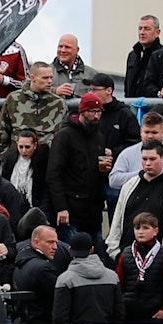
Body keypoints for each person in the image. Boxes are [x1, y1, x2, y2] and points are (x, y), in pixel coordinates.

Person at [106, 141, 163, 258]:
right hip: (128, 256)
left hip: (162, 258)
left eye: (152, 159)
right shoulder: (129, 186)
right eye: (144, 159)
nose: (148, 163)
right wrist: (115, 252)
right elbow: (117, 220)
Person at [48, 93, 109, 253]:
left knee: (97, 256)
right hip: (71, 209)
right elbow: (54, 173)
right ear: (82, 112)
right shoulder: (65, 136)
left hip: (94, 210)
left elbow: (99, 174)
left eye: (99, 111)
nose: (96, 116)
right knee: (73, 255)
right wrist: (61, 207)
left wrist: (107, 168)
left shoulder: (99, 137)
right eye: (92, 111)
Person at [54, 233, 121, 324]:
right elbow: (119, 312)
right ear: (92, 249)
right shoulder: (112, 276)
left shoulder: (65, 279)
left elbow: (60, 318)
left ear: (70, 250)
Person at [106, 113, 163, 197]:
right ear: (140, 132)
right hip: (136, 206)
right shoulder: (127, 154)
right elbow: (113, 180)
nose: (150, 136)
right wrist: (141, 174)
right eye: (147, 132)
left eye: (154, 133)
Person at [11, 226, 60, 324]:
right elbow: (59, 299)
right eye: (50, 242)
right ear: (36, 243)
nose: (55, 247)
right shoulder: (43, 269)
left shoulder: (20, 266)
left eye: (56, 242)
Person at [0, 62, 65, 153]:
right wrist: (5, 163)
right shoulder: (14, 99)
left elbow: (63, 138)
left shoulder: (58, 104)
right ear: (33, 78)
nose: (49, 81)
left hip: (48, 160)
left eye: (51, 77)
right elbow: (2, 134)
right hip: (18, 159)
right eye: (45, 78)